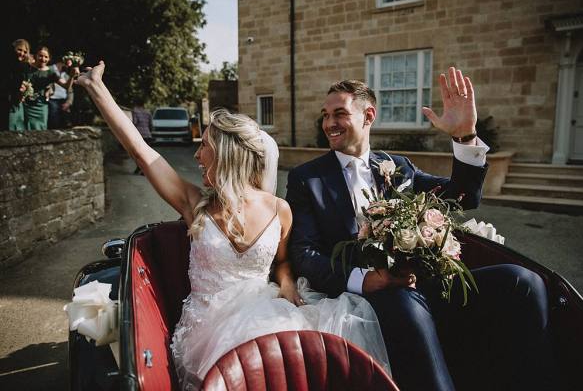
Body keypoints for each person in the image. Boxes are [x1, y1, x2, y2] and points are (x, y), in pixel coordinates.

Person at [75, 61, 390, 390]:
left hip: (266, 311)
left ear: (227, 155)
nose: (197, 156)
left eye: (204, 147)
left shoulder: (280, 209)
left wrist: (285, 283)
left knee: (302, 363)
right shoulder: (194, 203)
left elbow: (282, 262)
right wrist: (98, 90)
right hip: (208, 330)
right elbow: (142, 153)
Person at [285, 68, 556, 391]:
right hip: (366, 296)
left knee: (523, 281)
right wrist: (368, 280)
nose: (329, 123)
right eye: (326, 115)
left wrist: (464, 136)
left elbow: (461, 196)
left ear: (368, 115)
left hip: (421, 283)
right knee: (406, 306)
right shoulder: (306, 178)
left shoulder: (398, 167)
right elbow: (304, 254)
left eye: (339, 114)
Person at [21, 46, 78, 130]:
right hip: (26, 105)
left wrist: (72, 76)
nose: (43, 59)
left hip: (41, 105)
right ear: (36, 56)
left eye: (46, 57)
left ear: (49, 58)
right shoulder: (28, 68)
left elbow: (66, 86)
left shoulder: (51, 72)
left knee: (41, 128)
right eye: (40, 55)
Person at [8, 39, 32, 131]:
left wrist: (25, 92)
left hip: (20, 102)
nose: (22, 53)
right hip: (9, 101)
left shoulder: (25, 66)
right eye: (19, 50)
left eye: (25, 52)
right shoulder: (8, 65)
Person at [48, 61, 74, 129]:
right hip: (52, 100)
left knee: (65, 124)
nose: (69, 66)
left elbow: (70, 91)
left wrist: (68, 102)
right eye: (68, 64)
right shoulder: (49, 69)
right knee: (54, 123)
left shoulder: (66, 75)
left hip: (64, 101)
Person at [130, 102, 153, 174]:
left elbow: (135, 122)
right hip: (148, 135)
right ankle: (142, 169)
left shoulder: (135, 111)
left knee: (138, 153)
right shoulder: (148, 112)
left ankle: (141, 169)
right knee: (146, 154)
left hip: (139, 135)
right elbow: (151, 124)